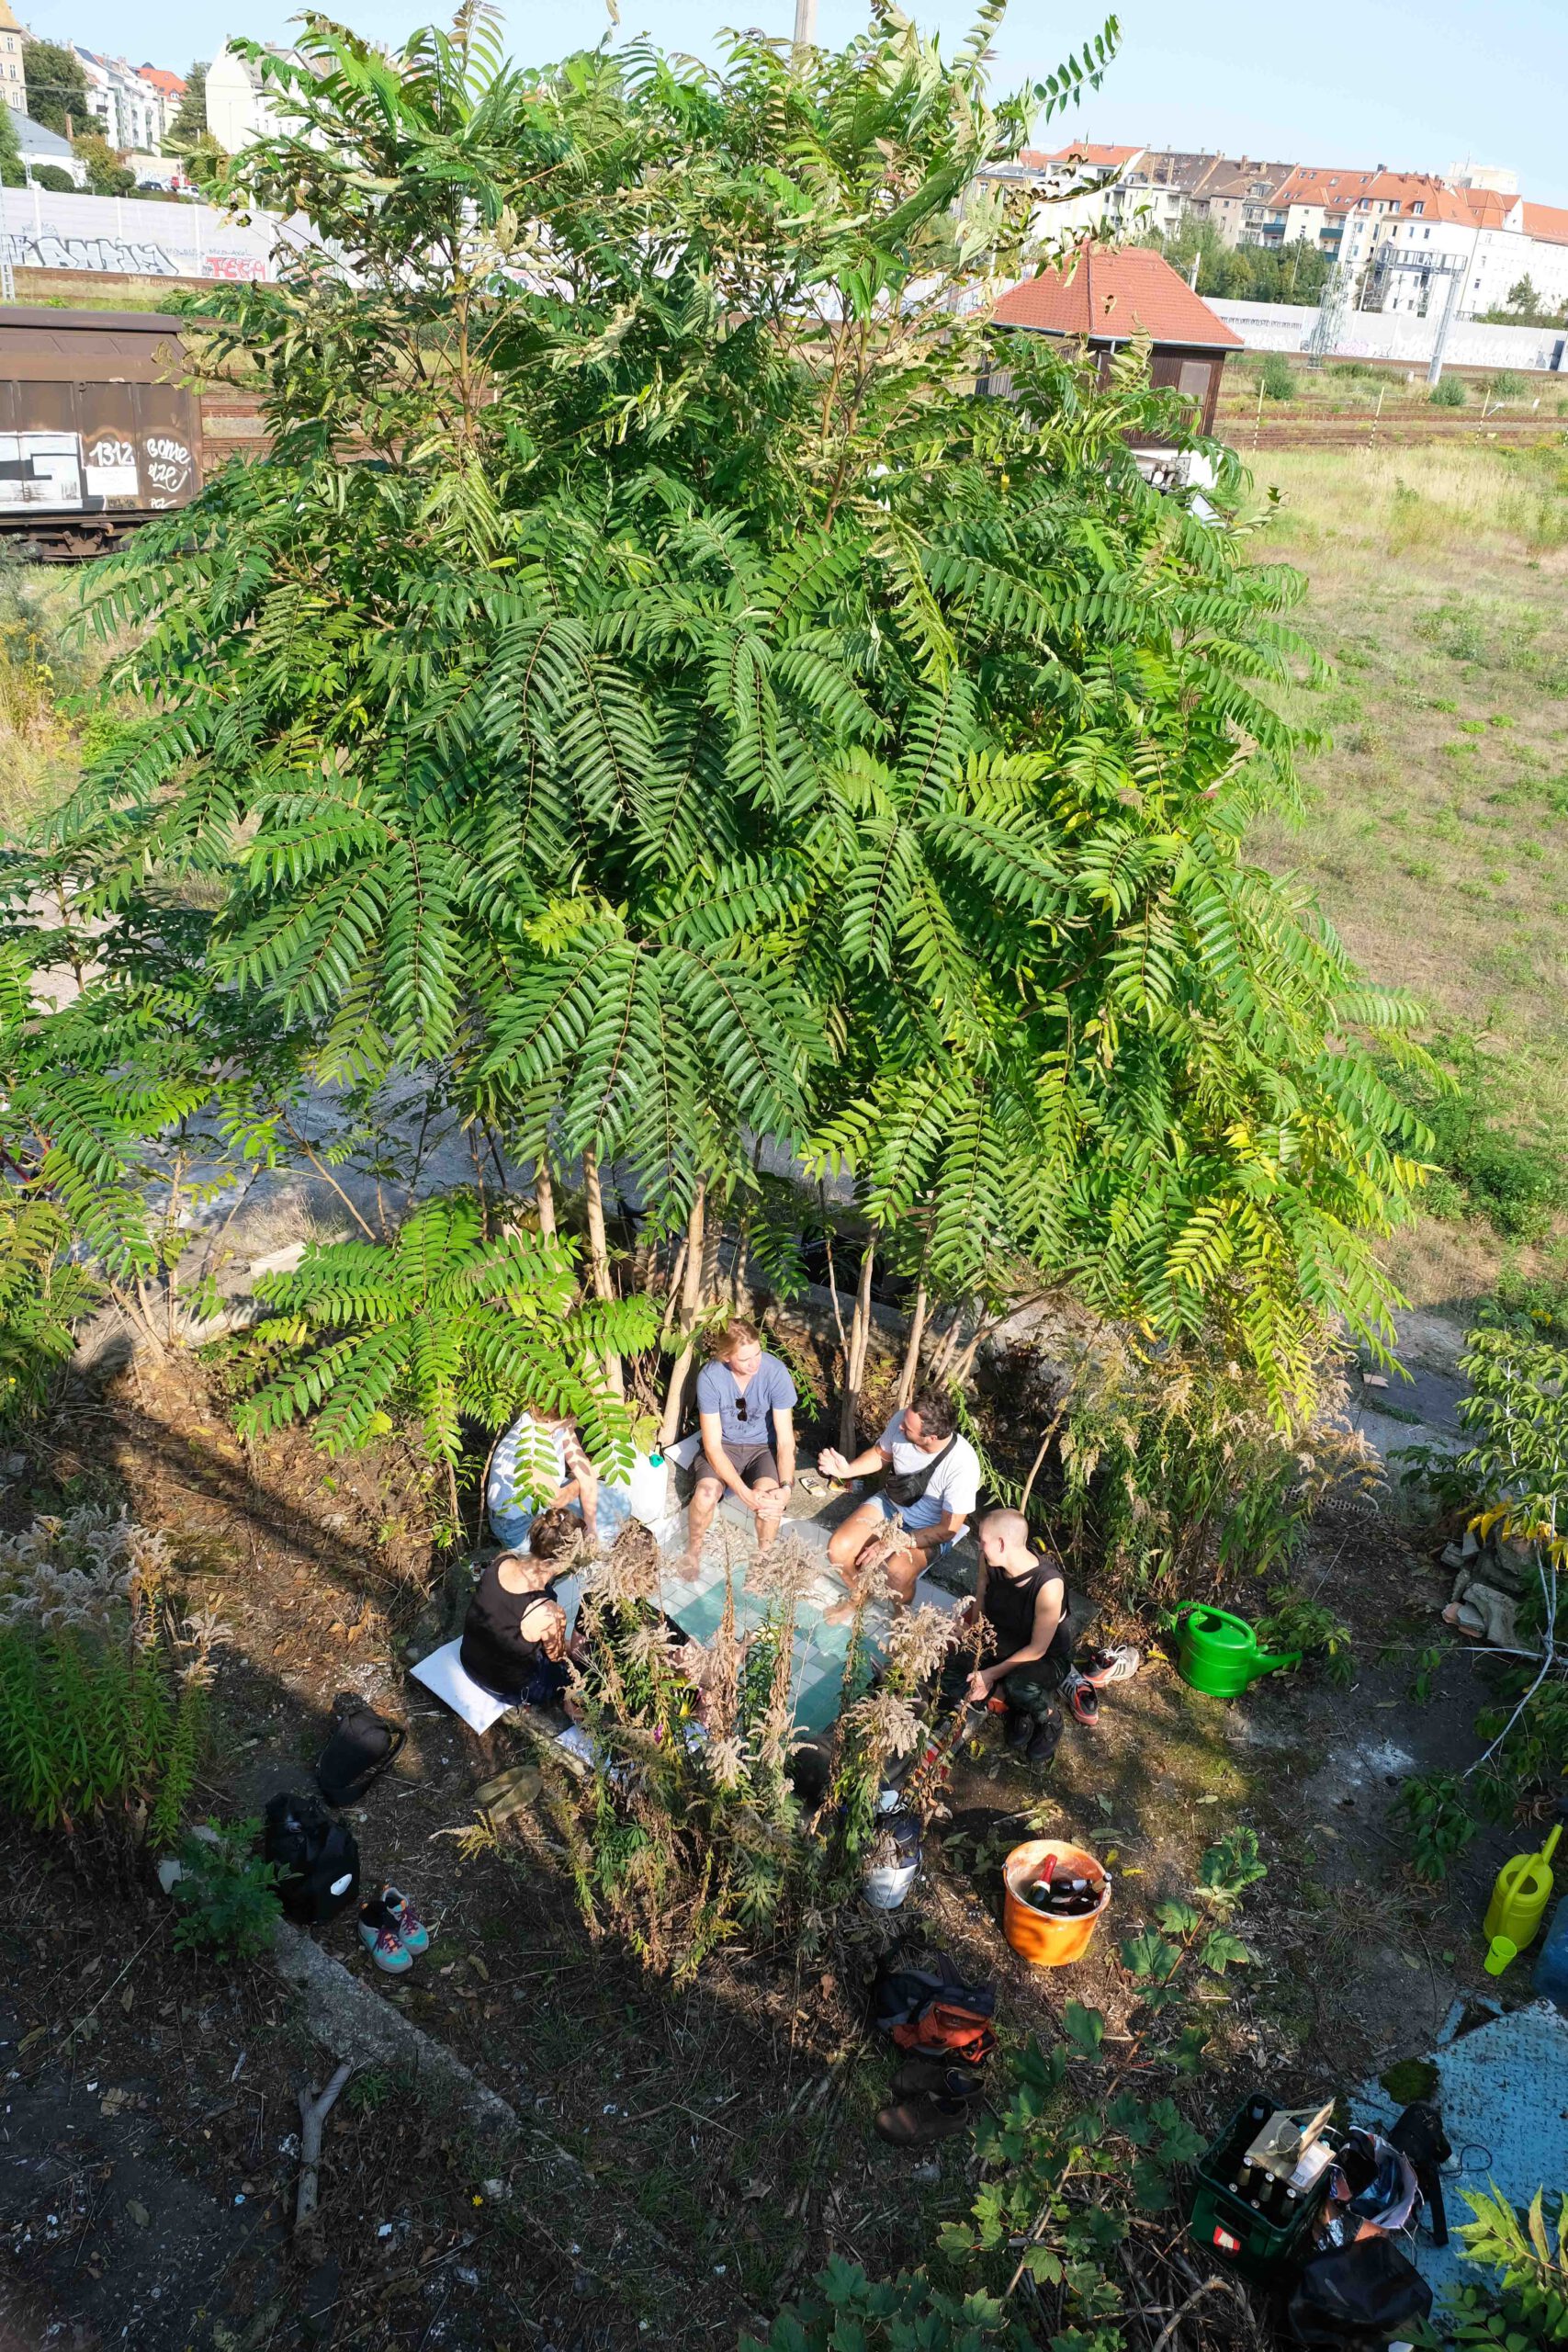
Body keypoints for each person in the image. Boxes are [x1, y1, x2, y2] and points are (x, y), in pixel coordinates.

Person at [963, 1510, 1138, 1765]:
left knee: (1018, 1685)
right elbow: (980, 1596)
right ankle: (1019, 1708)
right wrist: (972, 1637)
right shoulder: (988, 1562)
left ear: (1001, 1544)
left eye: (983, 1541)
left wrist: (990, 1674)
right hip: (1006, 1644)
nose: (980, 1546)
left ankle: (1049, 1718)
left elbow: (1037, 1649)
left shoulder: (1048, 1585)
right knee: (959, 1667)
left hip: (1046, 1658)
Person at [818, 1387, 979, 1612]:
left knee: (896, 1574)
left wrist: (893, 1542)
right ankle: (859, 1597)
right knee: (838, 1549)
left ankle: (900, 1622)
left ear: (931, 1438)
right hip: (891, 1504)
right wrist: (847, 1471)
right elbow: (881, 1454)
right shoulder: (903, 1419)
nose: (900, 1426)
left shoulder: (963, 1465)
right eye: (903, 1421)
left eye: (908, 1428)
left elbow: (947, 1530)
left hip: (930, 1527)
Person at [682, 1319, 797, 1577]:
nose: (755, 1364)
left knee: (770, 1502)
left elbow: (785, 1441)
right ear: (726, 1357)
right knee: (706, 1495)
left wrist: (786, 1488)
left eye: (757, 1354)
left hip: (762, 1448)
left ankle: (762, 1561)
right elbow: (712, 1446)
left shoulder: (775, 1372)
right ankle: (694, 1549)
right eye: (745, 1359)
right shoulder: (711, 1377)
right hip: (725, 1446)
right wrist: (744, 1493)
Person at [459, 1508, 584, 1710]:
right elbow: (557, 1657)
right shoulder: (550, 1612)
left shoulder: (504, 1559)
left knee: (546, 1594)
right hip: (504, 1687)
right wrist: (569, 1646)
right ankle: (565, 1703)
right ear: (565, 1559)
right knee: (573, 1669)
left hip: (469, 1660)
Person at [487, 1405, 624, 1552]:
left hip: (547, 1499)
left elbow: (584, 1472)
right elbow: (558, 1499)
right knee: (559, 1558)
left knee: (620, 1504)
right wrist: (595, 1471)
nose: (577, 1420)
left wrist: (591, 1527)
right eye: (573, 1417)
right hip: (517, 1525)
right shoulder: (528, 1450)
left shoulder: (559, 1425)